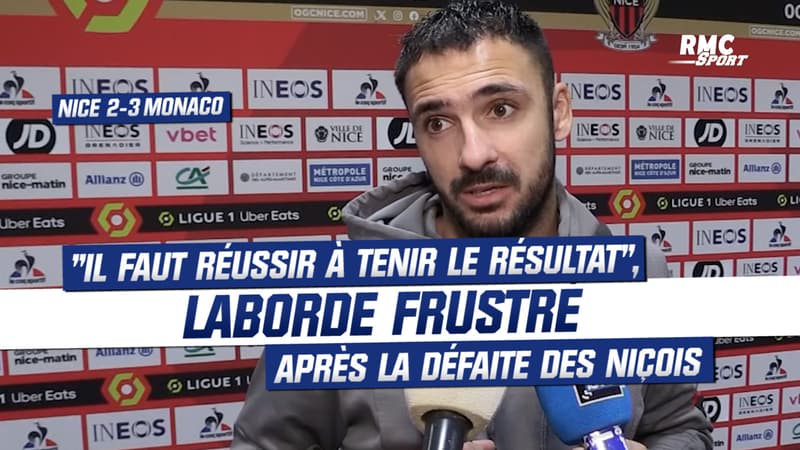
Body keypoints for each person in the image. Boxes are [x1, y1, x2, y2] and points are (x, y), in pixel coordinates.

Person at [231, 1, 714, 449]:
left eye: (501, 109)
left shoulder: (641, 274)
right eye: (438, 123)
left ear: (559, 112)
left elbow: (680, 429)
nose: (473, 154)